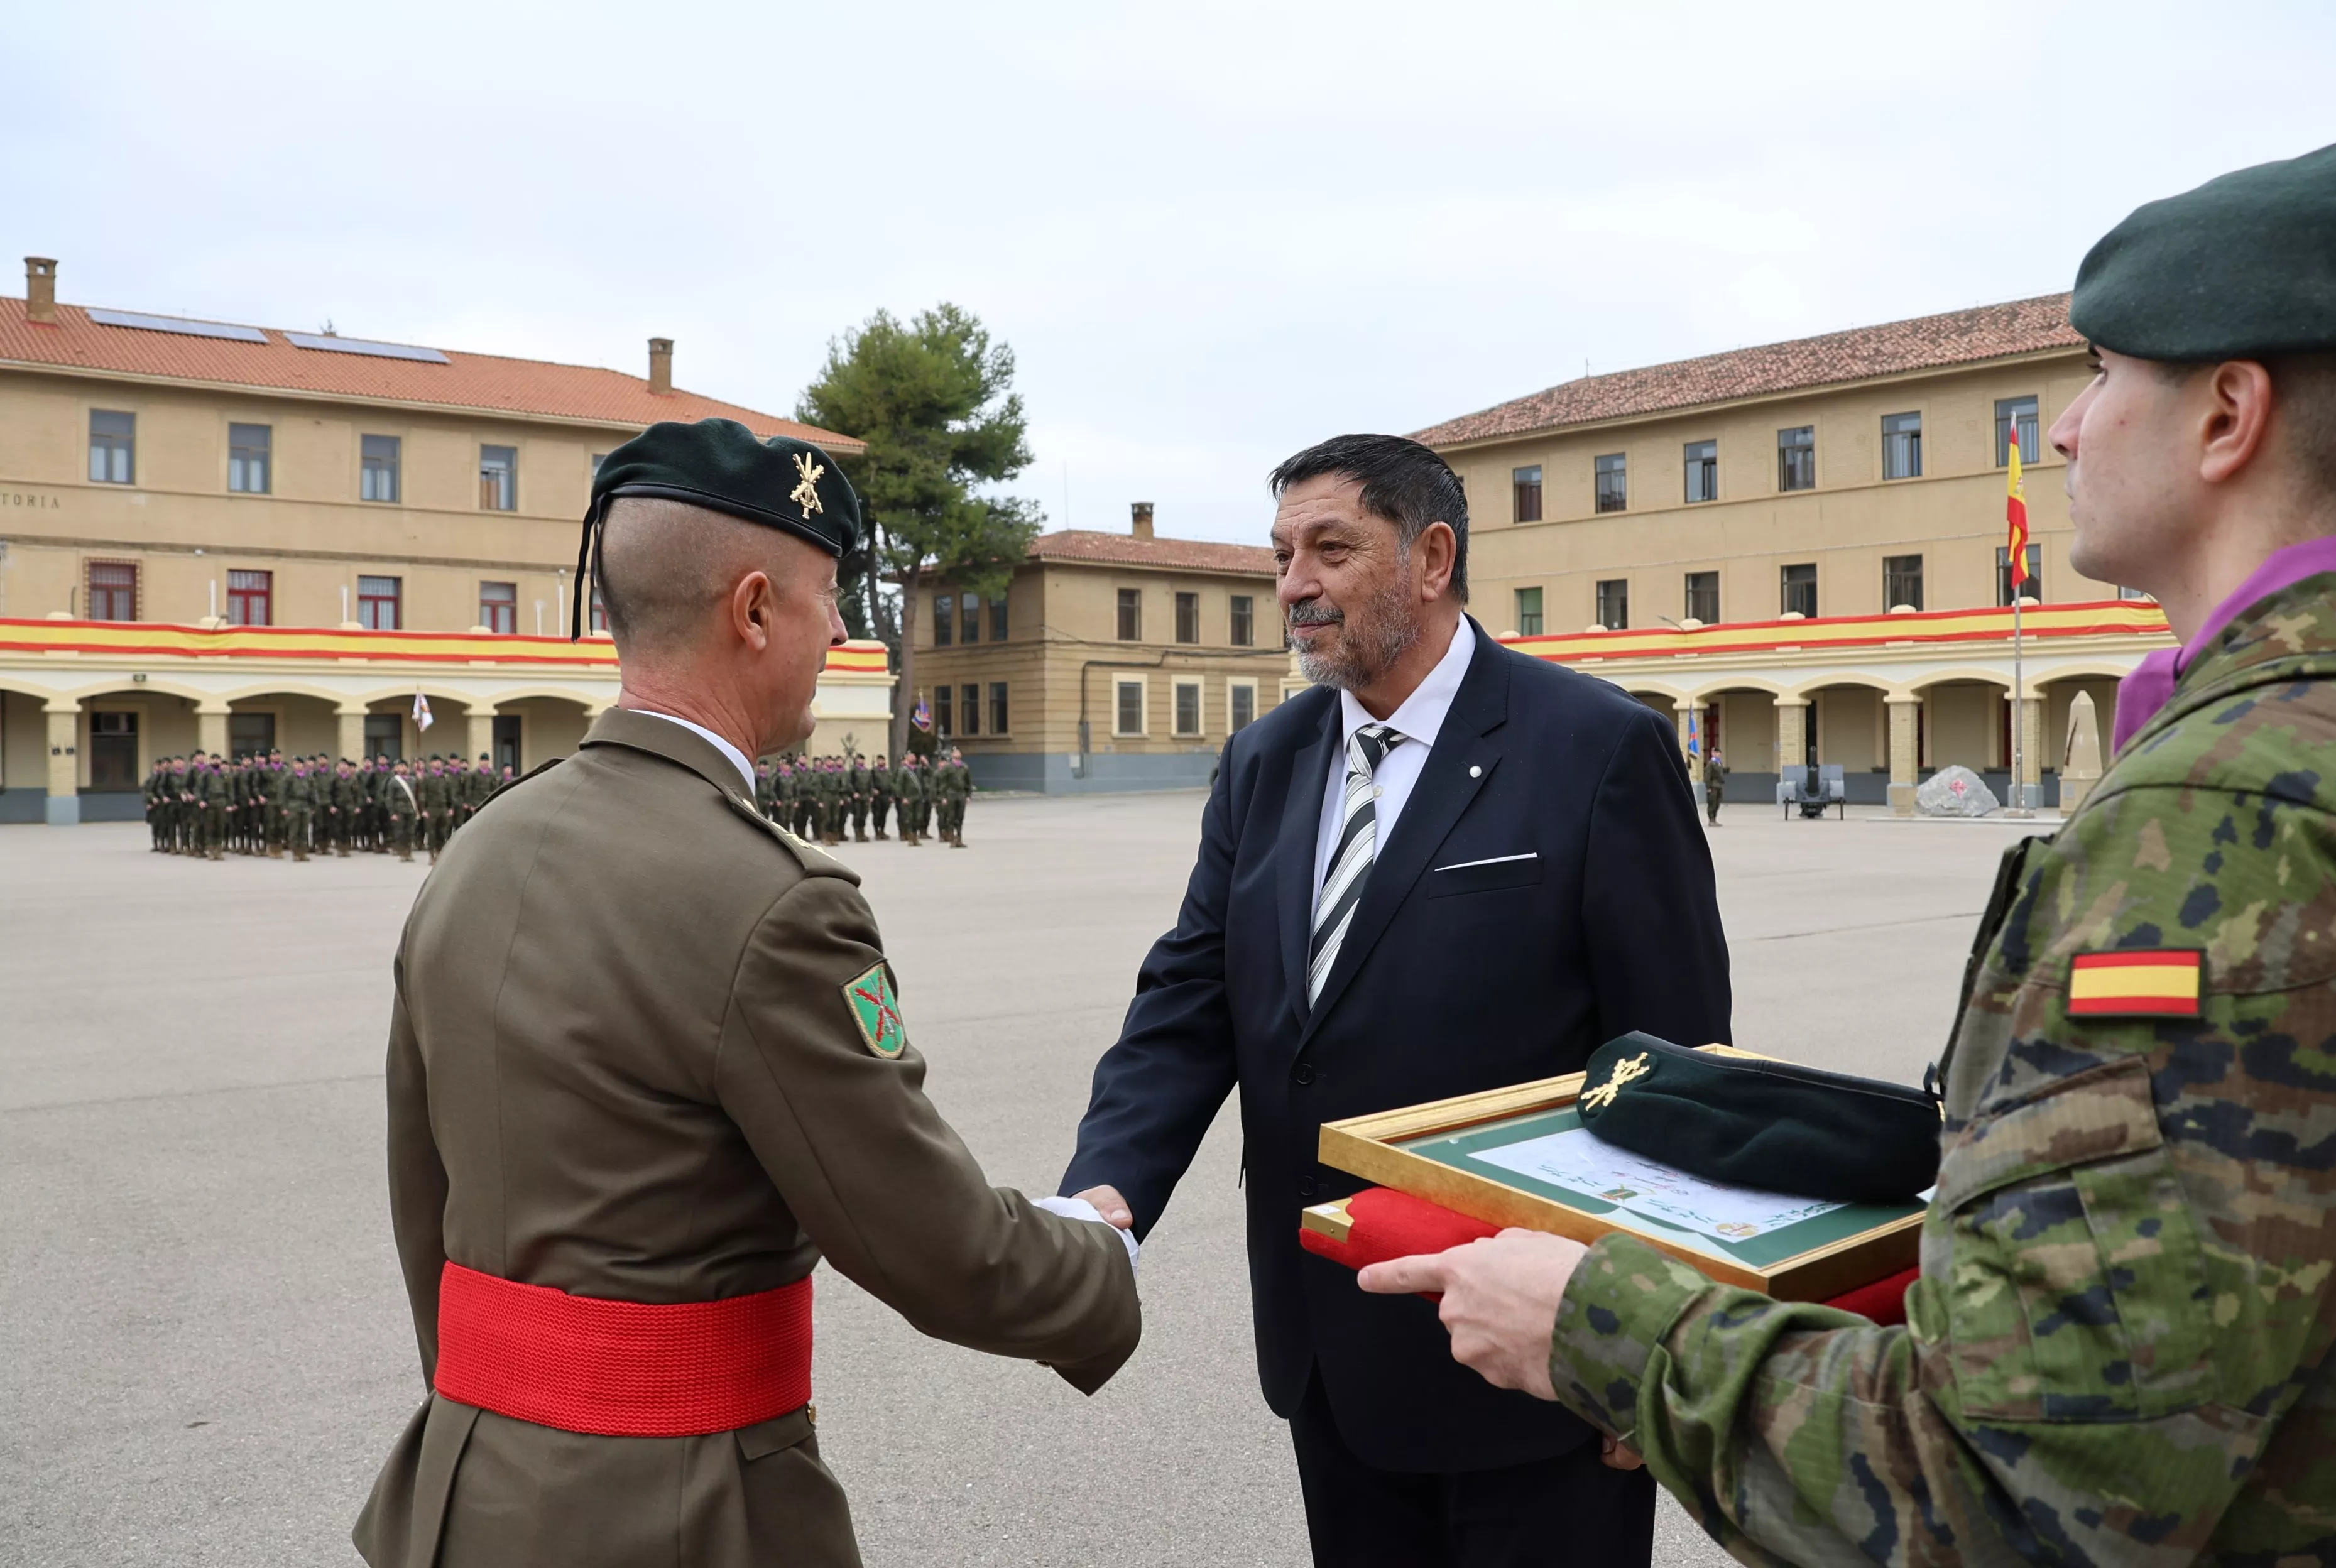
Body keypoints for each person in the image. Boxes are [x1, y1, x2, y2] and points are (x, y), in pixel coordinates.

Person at [1359, 141, 2336, 1566]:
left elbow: (2011, 1495)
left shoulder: (2215, 821)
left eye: (2095, 377)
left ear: (2223, 415)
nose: (2062, 432)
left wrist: (1596, 1326)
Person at [353, 418, 1140, 1568]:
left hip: (469, 1489)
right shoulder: (772, 901)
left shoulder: (478, 848)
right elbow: (932, 1243)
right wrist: (1096, 1260)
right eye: (829, 597)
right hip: (677, 1513)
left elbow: (423, 1193)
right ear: (755, 608)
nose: (839, 630)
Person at [1059, 433, 1732, 1567]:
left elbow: (1672, 1059)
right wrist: (1106, 1193)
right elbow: (1189, 993)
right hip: (1328, 1341)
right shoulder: (1265, 759)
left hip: (1533, 1349)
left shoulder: (1594, 745)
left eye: (1329, 549)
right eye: (1280, 556)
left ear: (1430, 558)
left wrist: (1651, 1330)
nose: (1292, 587)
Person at [936, 746, 972, 847]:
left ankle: (959, 838)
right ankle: (952, 838)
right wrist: (943, 797)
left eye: (958, 752)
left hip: (961, 795)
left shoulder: (964, 767)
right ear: (952, 755)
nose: (957, 754)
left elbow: (968, 782)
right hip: (951, 794)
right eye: (955, 752)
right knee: (951, 817)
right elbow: (943, 783)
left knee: (960, 817)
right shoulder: (948, 768)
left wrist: (968, 795)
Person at [1702, 746, 1726, 826]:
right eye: (1716, 753)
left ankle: (1715, 819)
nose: (1718, 754)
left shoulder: (1719, 763)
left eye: (1719, 753)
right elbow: (1707, 776)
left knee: (1718, 803)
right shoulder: (1711, 764)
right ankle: (1711, 820)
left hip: (1719, 786)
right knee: (1712, 803)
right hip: (1713, 786)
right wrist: (1708, 787)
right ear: (1713, 754)